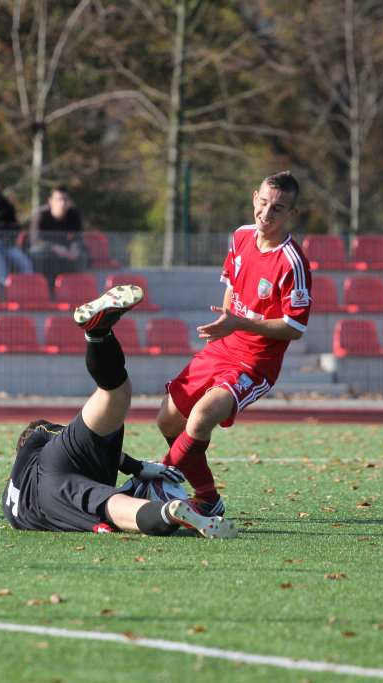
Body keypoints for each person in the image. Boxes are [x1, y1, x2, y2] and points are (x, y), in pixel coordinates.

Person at [2, 284, 237, 539]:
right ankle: (98, 334)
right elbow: (45, 430)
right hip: (53, 463)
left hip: (54, 502)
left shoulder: (13, 507)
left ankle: (169, 512)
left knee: (118, 510)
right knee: (114, 394)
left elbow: (74, 517)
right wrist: (136, 466)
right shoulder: (32, 448)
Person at [154, 172, 311, 516]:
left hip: (254, 364)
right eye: (263, 203)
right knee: (167, 418)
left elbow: (295, 327)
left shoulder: (293, 262)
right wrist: (227, 322)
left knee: (200, 418)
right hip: (222, 347)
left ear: (292, 213)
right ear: (255, 198)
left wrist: (240, 323)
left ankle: (157, 479)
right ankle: (208, 497)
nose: (266, 213)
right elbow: (231, 284)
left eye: (278, 208)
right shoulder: (240, 236)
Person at [29, 185, 87, 291]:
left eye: (65, 199)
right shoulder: (40, 214)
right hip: (46, 251)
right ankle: (44, 289)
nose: (62, 203)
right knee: (38, 253)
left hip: (67, 251)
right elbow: (34, 240)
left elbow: (78, 237)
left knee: (82, 254)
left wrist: (74, 248)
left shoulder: (74, 214)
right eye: (58, 199)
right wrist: (54, 248)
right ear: (50, 201)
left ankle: (77, 289)